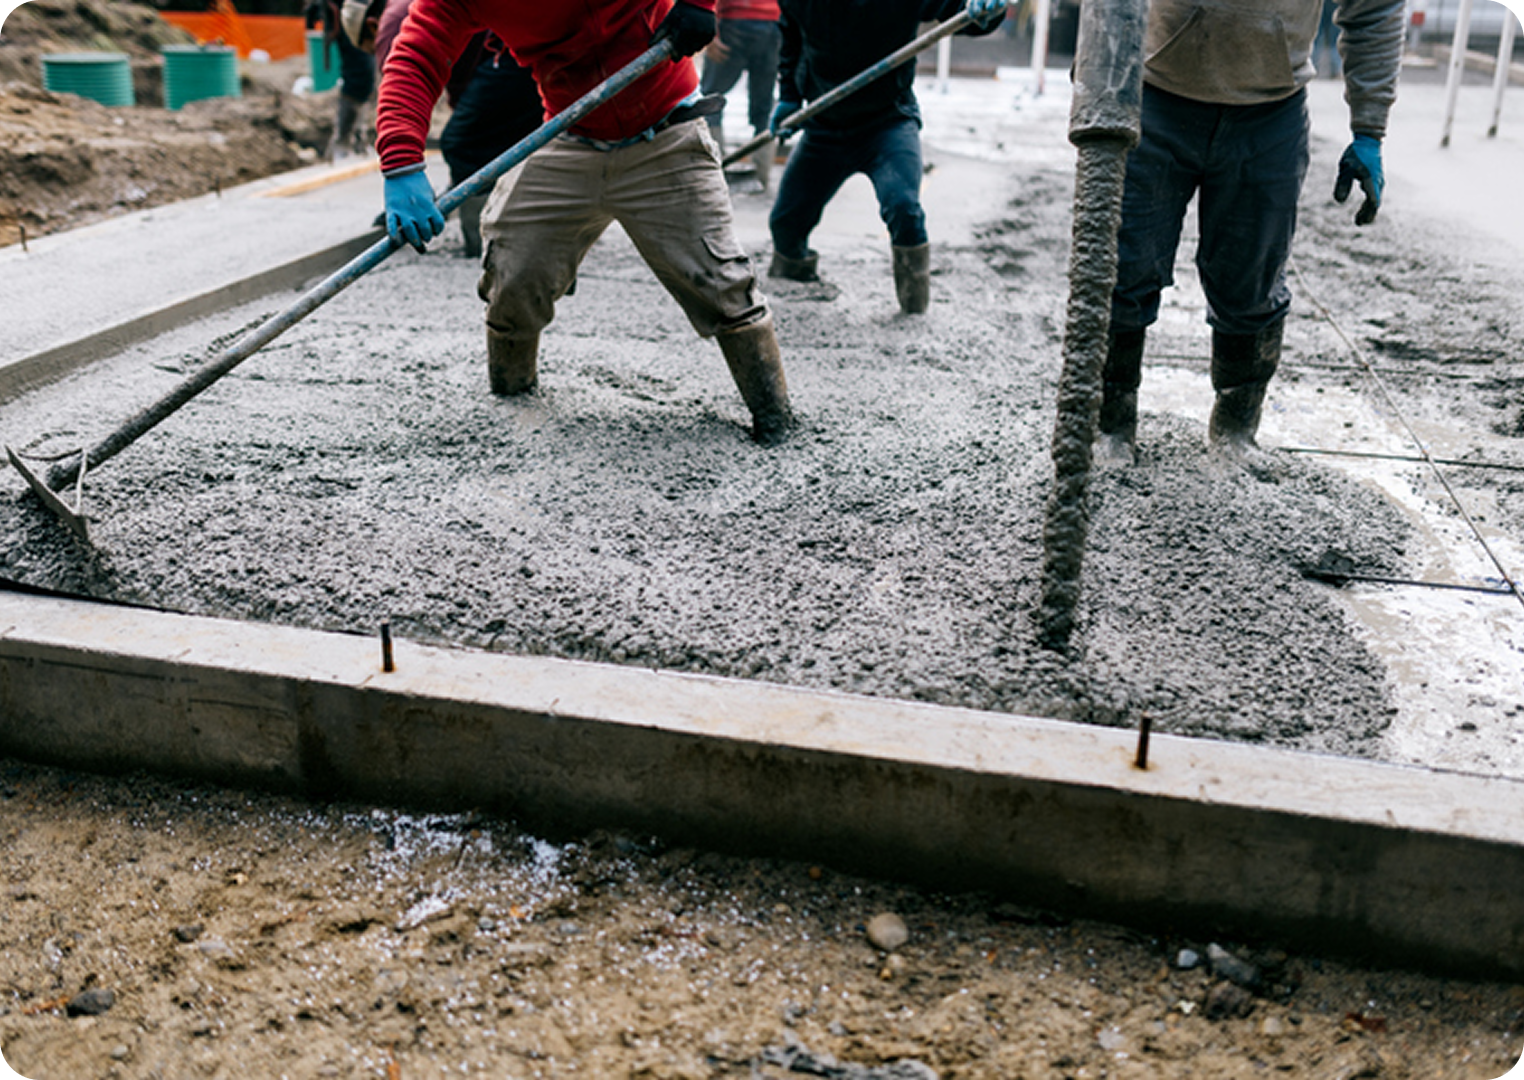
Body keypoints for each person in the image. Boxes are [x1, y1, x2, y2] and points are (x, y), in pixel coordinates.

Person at [374, 0, 795, 445]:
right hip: (569, 136)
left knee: (722, 285)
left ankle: (775, 420)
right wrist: (401, 163)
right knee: (513, 272)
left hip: (667, 131)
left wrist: (697, 4)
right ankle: (511, 405)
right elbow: (418, 53)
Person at [1096, 0, 1403, 462]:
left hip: (1269, 113)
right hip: (1152, 97)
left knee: (1251, 279)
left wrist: (1369, 129)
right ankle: (1110, 426)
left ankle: (1236, 431)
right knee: (1121, 265)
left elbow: (1376, 9)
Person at [765, 0, 1007, 315]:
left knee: (903, 207)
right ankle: (793, 281)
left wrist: (989, 11)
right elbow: (792, 37)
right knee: (784, 224)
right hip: (824, 126)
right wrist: (789, 97)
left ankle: (914, 308)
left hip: (887, 122)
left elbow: (965, 14)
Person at [352, 0, 544, 259]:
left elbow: (405, 86)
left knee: (463, 144)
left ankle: (490, 247)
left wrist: (403, 167)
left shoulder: (392, 24)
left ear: (371, 25)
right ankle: (531, 233)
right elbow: (466, 92)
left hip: (515, 57)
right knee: (479, 139)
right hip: (524, 54)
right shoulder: (410, 7)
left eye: (370, 45)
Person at [699, 0, 783, 191]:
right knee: (763, 106)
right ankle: (762, 177)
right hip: (772, 24)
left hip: (733, 21)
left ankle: (712, 175)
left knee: (709, 101)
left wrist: (710, 32)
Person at [307, 0, 377, 160]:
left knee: (368, 75)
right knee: (358, 72)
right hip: (348, 9)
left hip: (367, 7)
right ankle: (343, 142)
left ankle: (358, 140)